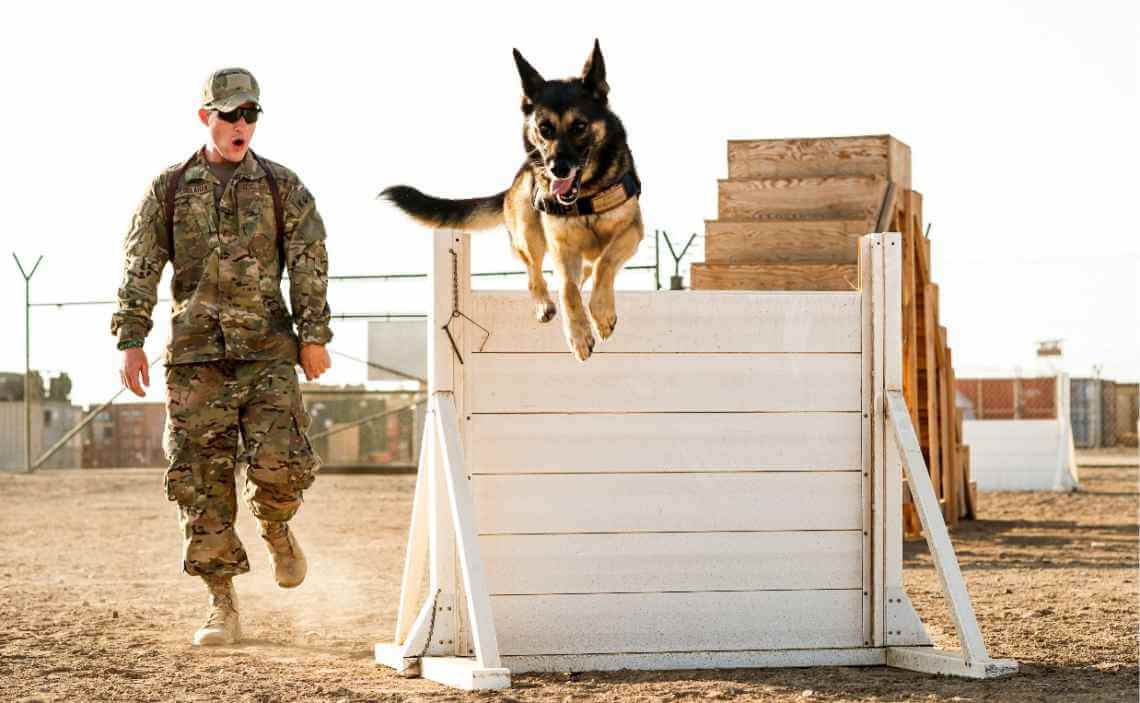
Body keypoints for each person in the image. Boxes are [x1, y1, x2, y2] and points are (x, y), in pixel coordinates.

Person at [111, 67, 332, 646]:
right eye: (230, 113)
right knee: (200, 483)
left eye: (250, 114)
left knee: (279, 468)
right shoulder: (169, 187)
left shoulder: (284, 188)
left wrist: (314, 334)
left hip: (267, 354)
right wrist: (130, 337)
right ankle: (222, 605)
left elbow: (310, 263)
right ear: (205, 116)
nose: (241, 125)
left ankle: (277, 527)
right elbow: (140, 263)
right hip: (194, 360)